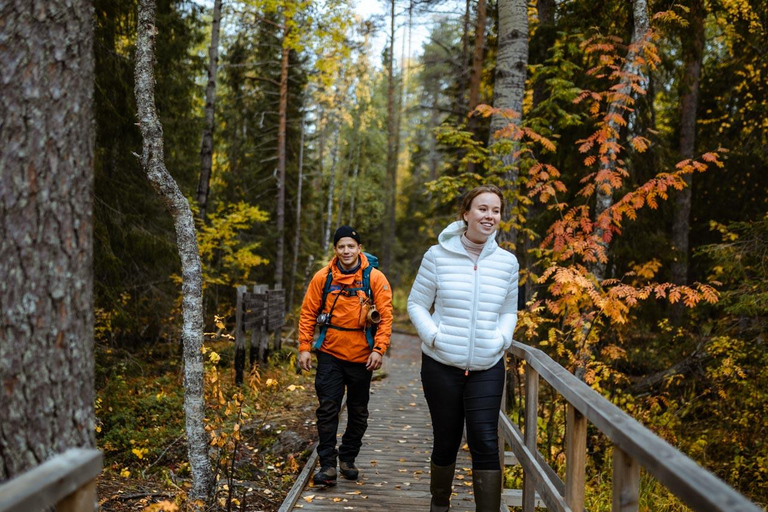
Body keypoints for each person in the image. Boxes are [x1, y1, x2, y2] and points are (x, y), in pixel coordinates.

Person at [407, 185, 519, 512]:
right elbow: (416, 304)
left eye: (495, 210)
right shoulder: (437, 256)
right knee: (447, 439)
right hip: (441, 364)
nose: (489, 216)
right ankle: (439, 504)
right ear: (466, 214)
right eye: (482, 209)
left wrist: (502, 339)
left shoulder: (507, 263)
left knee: (485, 440)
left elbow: (509, 310)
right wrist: (434, 337)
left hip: (487, 365)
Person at [298, 225, 393, 487]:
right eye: (341, 246)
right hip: (330, 353)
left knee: (358, 411)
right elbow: (308, 313)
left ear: (359, 248)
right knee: (327, 409)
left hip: (363, 355)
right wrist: (304, 347)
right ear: (335, 249)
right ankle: (327, 465)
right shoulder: (323, 277)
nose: (346, 250)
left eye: (351, 246)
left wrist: (379, 349)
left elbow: (385, 318)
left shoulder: (375, 278)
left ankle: (348, 458)